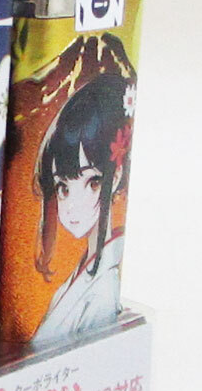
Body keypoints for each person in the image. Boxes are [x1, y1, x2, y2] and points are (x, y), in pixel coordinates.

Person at [31, 73, 134, 346]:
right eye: (63, 188)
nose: (73, 206)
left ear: (116, 175)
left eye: (93, 182)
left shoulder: (103, 290)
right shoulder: (85, 274)